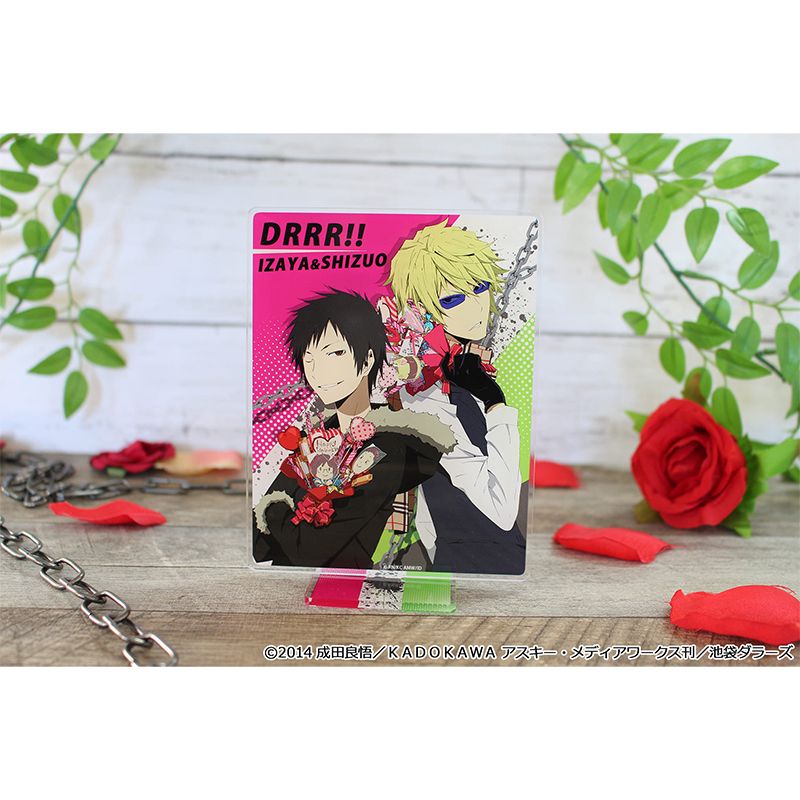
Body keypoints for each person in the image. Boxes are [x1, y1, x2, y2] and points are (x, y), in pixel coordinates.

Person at [252, 290, 455, 569]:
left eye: (334, 353)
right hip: (286, 583)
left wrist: (274, 510)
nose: (318, 372)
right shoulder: (316, 436)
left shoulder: (387, 446)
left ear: (368, 360)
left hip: (343, 582)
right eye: (309, 359)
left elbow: (308, 551)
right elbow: (257, 545)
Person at [386, 221, 526, 574]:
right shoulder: (429, 395)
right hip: (479, 560)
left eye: (479, 287)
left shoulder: (462, 374)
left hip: (474, 562)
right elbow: (501, 510)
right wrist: (495, 402)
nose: (476, 307)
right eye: (452, 299)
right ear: (422, 311)